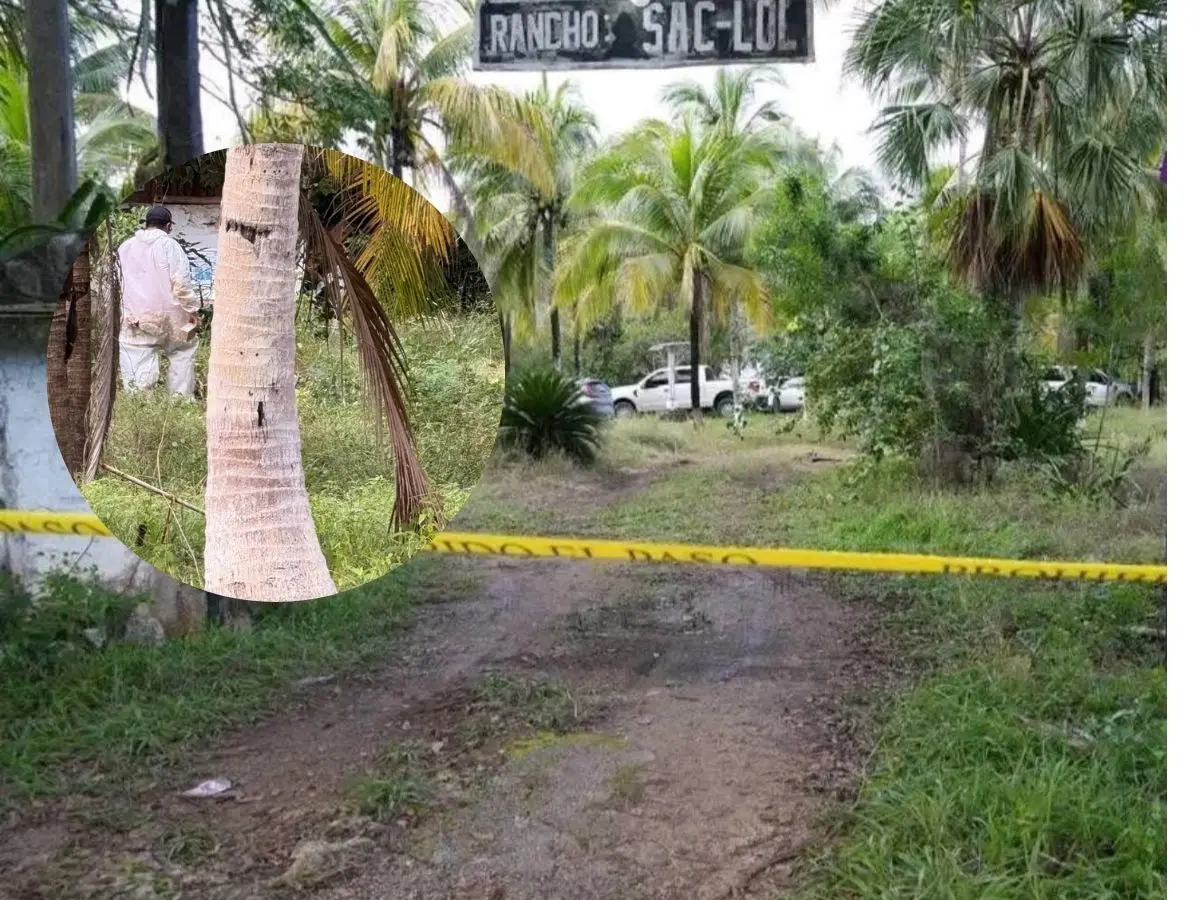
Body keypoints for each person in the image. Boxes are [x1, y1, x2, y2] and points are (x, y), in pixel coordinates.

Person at [117, 205, 201, 397]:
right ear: (169, 226)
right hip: (169, 318)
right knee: (182, 352)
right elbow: (181, 284)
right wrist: (192, 310)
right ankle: (180, 401)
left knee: (136, 357)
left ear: (146, 224)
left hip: (134, 318)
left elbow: (114, 283)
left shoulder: (125, 247)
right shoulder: (170, 246)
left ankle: (140, 404)